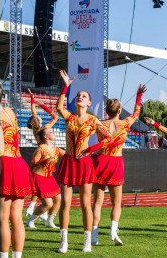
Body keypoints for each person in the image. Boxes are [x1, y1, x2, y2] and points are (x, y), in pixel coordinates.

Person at [55, 70, 113, 253]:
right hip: (68, 162)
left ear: (89, 102)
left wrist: (89, 150)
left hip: (85, 163)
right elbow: (58, 108)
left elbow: (108, 139)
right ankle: (64, 241)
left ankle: (87, 241)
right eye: (79, 95)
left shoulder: (93, 120)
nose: (80, 97)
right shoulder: (69, 117)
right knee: (65, 203)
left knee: (85, 204)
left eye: (84, 96)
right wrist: (66, 85)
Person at [91, 84, 147, 247]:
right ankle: (113, 231)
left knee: (97, 202)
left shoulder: (100, 124)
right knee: (116, 202)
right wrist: (138, 95)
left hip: (100, 161)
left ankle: (94, 235)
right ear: (119, 111)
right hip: (116, 162)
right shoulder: (125, 123)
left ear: (106, 111)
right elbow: (137, 112)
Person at [0, 82, 36, 258]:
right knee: (16, 217)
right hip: (18, 163)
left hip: (4, 164)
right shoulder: (10, 112)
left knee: (2, 217)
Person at [25, 89, 59, 223]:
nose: (38, 115)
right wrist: (42, 105)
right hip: (46, 152)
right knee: (43, 183)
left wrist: (33, 99)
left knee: (44, 186)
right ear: (38, 121)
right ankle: (35, 209)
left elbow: (33, 113)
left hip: (45, 150)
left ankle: (36, 209)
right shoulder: (44, 129)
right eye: (38, 117)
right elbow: (55, 116)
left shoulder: (36, 129)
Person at [25, 127, 65, 229]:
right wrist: (44, 161)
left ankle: (49, 221)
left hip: (49, 178)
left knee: (58, 199)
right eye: (50, 132)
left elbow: (67, 155)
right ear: (46, 136)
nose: (53, 132)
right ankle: (30, 220)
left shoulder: (56, 149)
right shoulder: (41, 148)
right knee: (48, 204)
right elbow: (33, 163)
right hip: (39, 177)